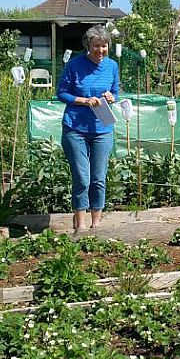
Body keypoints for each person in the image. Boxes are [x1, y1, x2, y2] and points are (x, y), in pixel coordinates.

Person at [58, 25, 120, 233]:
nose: (100, 50)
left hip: (102, 128)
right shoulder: (75, 65)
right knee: (82, 178)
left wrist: (112, 97)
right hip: (75, 128)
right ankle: (80, 225)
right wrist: (84, 100)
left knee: (99, 177)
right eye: (96, 46)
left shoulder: (112, 66)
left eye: (104, 46)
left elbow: (115, 91)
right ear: (88, 46)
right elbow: (62, 93)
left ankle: (96, 224)